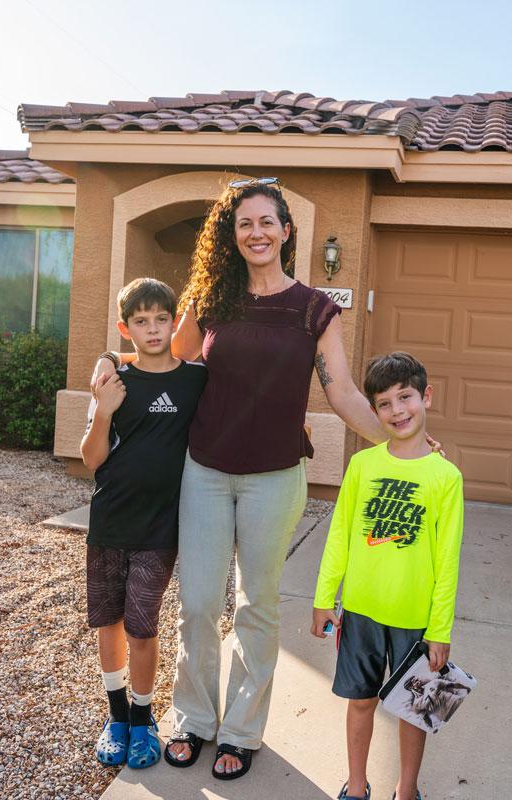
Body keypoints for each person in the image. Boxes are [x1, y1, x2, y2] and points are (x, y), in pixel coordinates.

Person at [90, 178, 430, 780]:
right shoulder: (212, 300)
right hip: (205, 470)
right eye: (244, 223)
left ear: (286, 230)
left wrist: (403, 438)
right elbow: (164, 357)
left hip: (275, 477)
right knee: (196, 603)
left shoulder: (314, 310)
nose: (257, 233)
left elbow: (344, 392)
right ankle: (193, 719)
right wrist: (108, 367)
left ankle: (241, 730)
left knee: (256, 605)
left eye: (267, 222)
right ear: (233, 233)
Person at [311, 352, 464, 800]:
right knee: (360, 702)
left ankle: (406, 790)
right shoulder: (362, 466)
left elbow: (448, 562)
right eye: (385, 403)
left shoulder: (446, 478)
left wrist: (440, 629)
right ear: (374, 412)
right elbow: (339, 535)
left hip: (416, 619)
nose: (398, 411)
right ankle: (356, 786)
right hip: (360, 611)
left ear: (426, 397)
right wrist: (325, 597)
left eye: (406, 397)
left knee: (415, 711)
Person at [79, 278, 207, 770]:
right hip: (110, 519)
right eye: (141, 321)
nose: (152, 329)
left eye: (161, 319)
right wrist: (104, 413)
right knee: (107, 621)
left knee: (141, 625)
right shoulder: (113, 382)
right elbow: (91, 459)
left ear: (174, 322)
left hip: (159, 528)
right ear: (124, 327)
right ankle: (115, 718)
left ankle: (142, 718)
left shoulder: (195, 379)